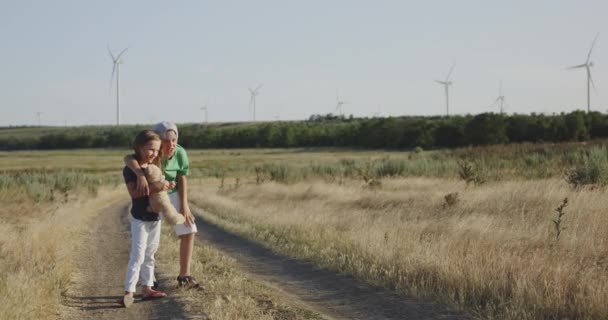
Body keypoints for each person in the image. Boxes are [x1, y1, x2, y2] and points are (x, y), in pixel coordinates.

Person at [124, 121, 202, 289]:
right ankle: (149, 280)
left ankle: (184, 276)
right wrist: (140, 175)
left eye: (174, 139)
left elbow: (182, 178)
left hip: (171, 193)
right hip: (153, 193)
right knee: (149, 240)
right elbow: (128, 158)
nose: (171, 144)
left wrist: (184, 205)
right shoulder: (153, 152)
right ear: (158, 140)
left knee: (189, 228)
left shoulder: (180, 152)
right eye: (166, 140)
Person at [120, 130, 172, 308]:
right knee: (138, 254)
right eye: (151, 149)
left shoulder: (154, 165)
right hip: (140, 218)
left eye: (157, 151)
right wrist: (156, 186)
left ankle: (148, 287)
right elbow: (135, 194)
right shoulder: (130, 169)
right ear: (140, 147)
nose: (154, 154)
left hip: (155, 217)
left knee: (150, 254)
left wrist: (165, 186)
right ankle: (129, 291)